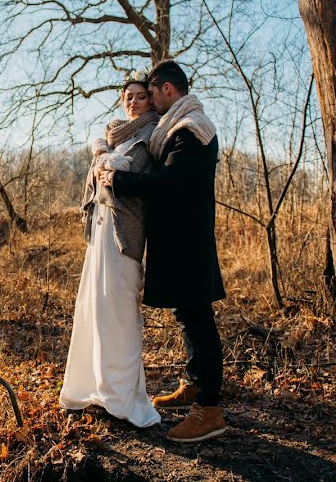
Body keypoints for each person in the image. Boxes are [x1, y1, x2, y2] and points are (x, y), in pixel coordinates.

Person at [99, 59, 227, 442]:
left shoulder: (193, 131)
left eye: (151, 93)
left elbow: (170, 182)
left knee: (199, 319)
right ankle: (193, 384)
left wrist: (119, 179)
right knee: (188, 315)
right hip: (177, 238)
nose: (149, 101)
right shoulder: (177, 128)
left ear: (168, 90)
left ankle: (210, 409)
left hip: (189, 240)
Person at [58, 72, 161, 428]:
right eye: (128, 96)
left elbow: (135, 175)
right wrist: (101, 155)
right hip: (99, 232)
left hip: (124, 233)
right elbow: (96, 177)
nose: (133, 101)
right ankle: (93, 389)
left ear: (151, 101)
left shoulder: (151, 135)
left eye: (140, 96)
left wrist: (107, 162)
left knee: (119, 312)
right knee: (95, 310)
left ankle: (121, 398)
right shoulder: (112, 135)